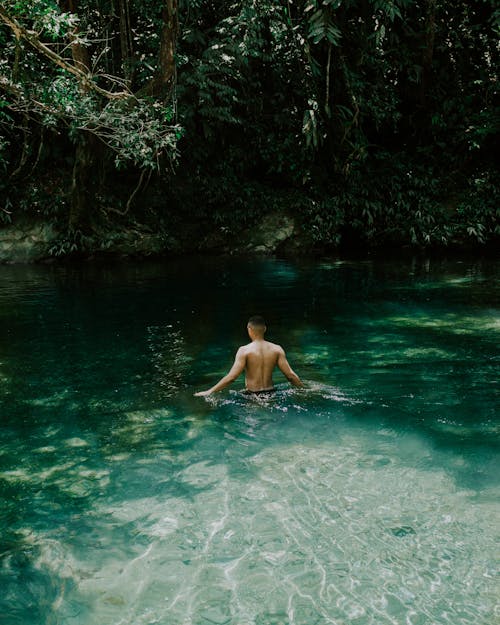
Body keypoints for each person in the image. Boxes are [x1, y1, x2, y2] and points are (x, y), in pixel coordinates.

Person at [194, 316, 304, 397]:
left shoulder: (244, 351)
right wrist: (304, 390)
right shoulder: (277, 349)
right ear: (264, 329)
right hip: (272, 394)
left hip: (253, 396)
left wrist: (210, 391)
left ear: (249, 329)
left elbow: (232, 378)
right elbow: (290, 376)